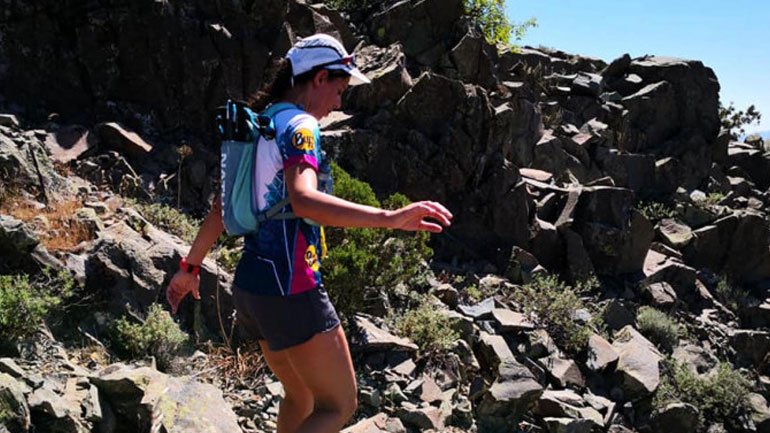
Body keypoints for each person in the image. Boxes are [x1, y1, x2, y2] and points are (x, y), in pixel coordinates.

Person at [166, 33, 452, 433]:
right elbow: (304, 200)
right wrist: (390, 217)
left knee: (300, 395)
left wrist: (189, 268)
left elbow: (221, 209)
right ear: (318, 78)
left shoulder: (261, 123)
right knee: (339, 405)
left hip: (251, 286)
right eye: (339, 89)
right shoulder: (300, 126)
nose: (338, 103)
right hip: (291, 288)